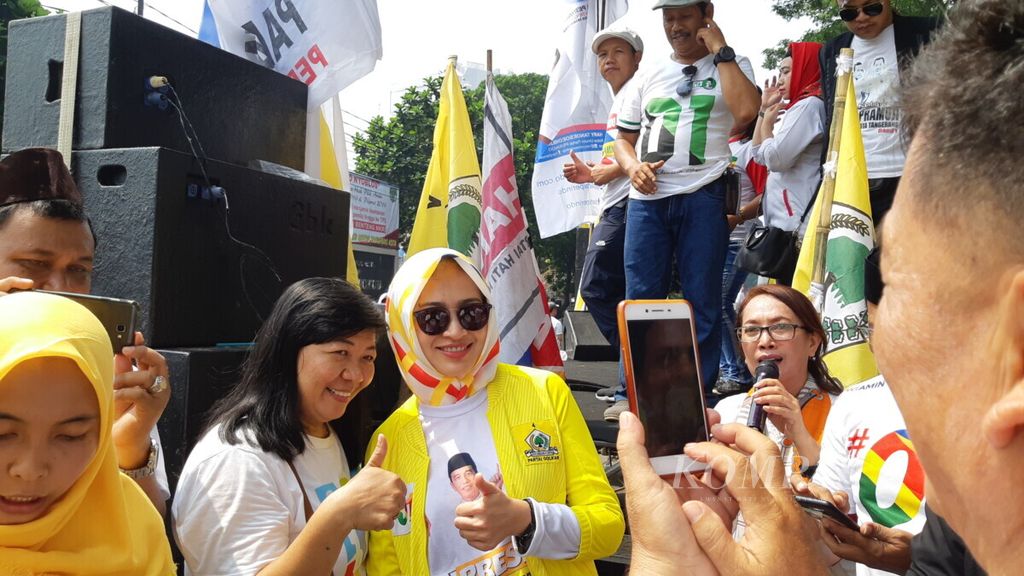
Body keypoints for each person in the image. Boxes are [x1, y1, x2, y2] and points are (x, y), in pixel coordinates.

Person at [616, 2, 1024, 574]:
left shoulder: (854, 411)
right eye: (751, 330)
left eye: (893, 281)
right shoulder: (949, 536)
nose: (865, 317)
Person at [367, 248, 624, 575]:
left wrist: (527, 520)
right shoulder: (389, 440)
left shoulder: (544, 392)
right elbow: (385, 567)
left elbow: (609, 526)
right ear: (402, 324)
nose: (456, 331)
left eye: (472, 313)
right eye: (432, 318)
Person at [172, 277, 407, 575]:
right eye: (340, 353)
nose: (356, 375)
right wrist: (339, 514)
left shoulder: (325, 432)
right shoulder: (237, 463)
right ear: (289, 350)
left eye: (368, 357)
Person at [0, 147, 171, 516]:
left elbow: (148, 533)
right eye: (34, 264)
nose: (58, 286)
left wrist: (131, 440)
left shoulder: (105, 371)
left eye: (79, 270)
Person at [614, 0, 760, 398]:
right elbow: (623, 140)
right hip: (648, 198)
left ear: (705, 13)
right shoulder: (648, 74)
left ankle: (697, 394)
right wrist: (632, 168)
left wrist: (720, 50)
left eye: (684, 16)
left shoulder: (732, 63)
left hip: (705, 192)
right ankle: (637, 393)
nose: (675, 26)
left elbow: (747, 111)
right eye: (668, 18)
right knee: (641, 297)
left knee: (703, 298)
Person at [0, 291, 174, 575]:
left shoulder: (134, 532)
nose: (30, 469)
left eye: (71, 435)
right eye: (3, 434)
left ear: (103, 430)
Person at [562, 26, 643, 418]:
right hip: (615, 205)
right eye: (602, 54)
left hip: (629, 206)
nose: (608, 59)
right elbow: (619, 161)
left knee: (595, 286)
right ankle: (633, 375)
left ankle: (639, 366)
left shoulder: (640, 90)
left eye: (618, 52)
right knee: (623, 294)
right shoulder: (620, 99)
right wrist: (593, 172)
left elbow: (641, 151)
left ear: (637, 59)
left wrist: (602, 174)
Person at [819, 0, 939, 223]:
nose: (861, 18)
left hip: (911, 179)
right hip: (850, 183)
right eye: (849, 13)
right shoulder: (832, 50)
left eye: (872, 8)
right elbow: (832, 117)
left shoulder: (929, 33)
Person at [715, 284, 843, 480]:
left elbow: (847, 500)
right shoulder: (726, 411)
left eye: (780, 327)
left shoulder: (843, 412)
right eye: (751, 330)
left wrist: (800, 435)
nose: (765, 341)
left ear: (812, 343)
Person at [753, 42, 825, 263]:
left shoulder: (809, 105)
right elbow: (758, 154)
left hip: (797, 225)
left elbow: (775, 160)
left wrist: (767, 126)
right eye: (779, 72)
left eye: (786, 71)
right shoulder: (800, 105)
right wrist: (764, 111)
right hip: (786, 224)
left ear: (806, 67)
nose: (780, 79)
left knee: (794, 294)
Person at [714, 116, 766, 396]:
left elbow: (765, 194)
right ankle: (729, 367)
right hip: (714, 241)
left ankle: (736, 371)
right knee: (714, 303)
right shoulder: (716, 148)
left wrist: (739, 216)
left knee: (719, 302)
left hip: (738, 240)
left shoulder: (746, 151)